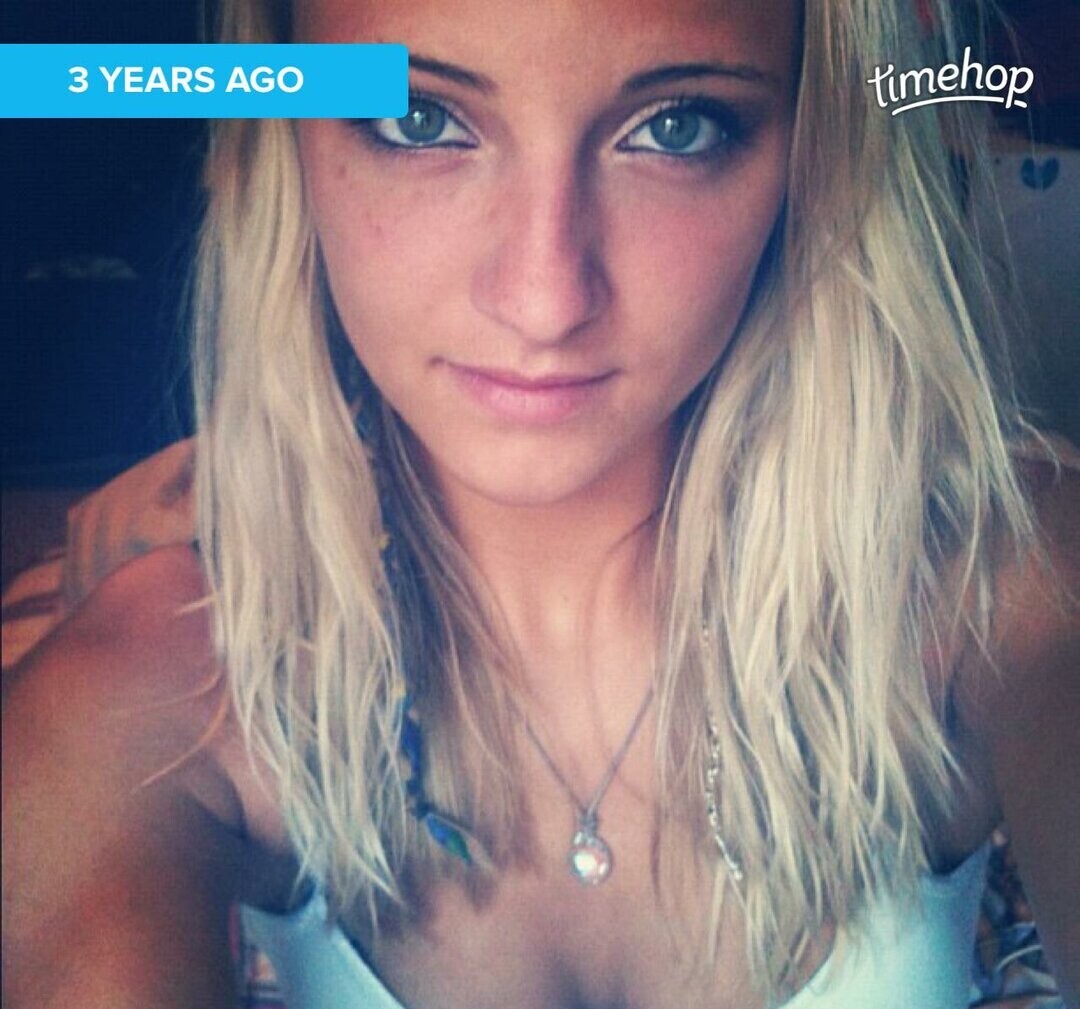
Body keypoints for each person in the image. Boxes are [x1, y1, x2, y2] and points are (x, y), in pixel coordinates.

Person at [3, 0, 1078, 1006]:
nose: (545, 297)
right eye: (418, 119)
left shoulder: (1002, 582)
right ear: (282, 141)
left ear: (814, 148)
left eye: (677, 127)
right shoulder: (157, 689)